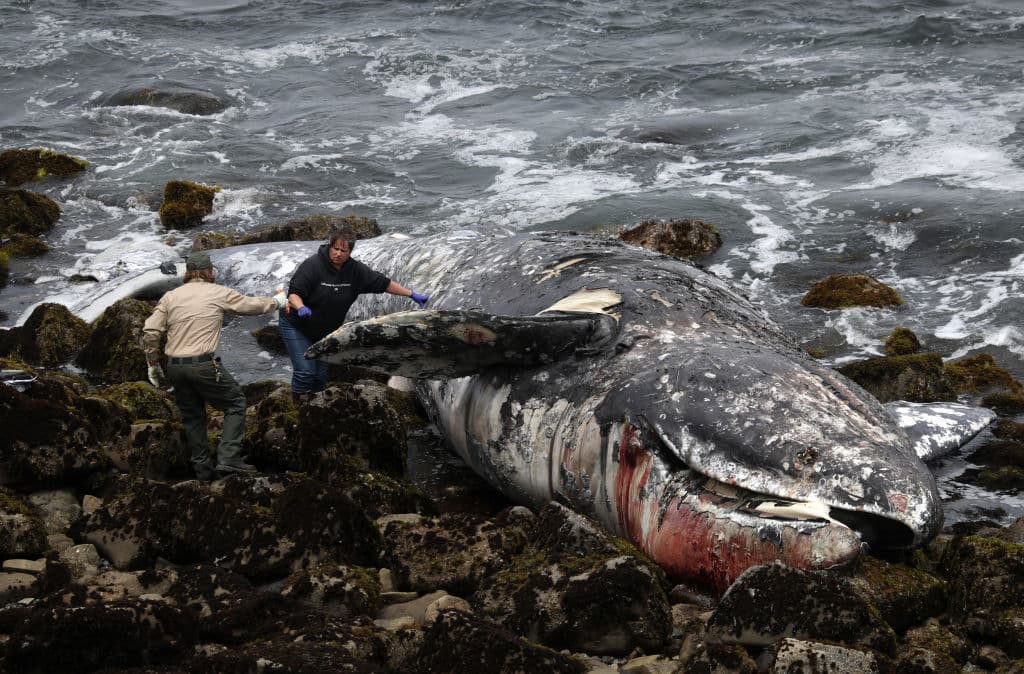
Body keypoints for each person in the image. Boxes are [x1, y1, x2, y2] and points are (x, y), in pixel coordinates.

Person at [142, 251, 289, 481]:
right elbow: (249, 305)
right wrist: (276, 302)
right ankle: (229, 457)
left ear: (188, 273)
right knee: (235, 402)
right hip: (202, 364)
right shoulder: (217, 292)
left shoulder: (170, 296)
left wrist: (152, 364)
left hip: (175, 368)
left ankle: (202, 472)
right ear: (209, 272)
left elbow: (150, 331)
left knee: (193, 417)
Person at [279, 227, 429, 400]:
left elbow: (384, 284)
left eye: (344, 250)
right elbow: (294, 294)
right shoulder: (313, 266)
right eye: (335, 249)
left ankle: (313, 406)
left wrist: (412, 294)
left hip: (324, 331)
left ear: (350, 252)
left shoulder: (355, 271)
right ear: (330, 247)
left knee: (319, 377)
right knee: (305, 371)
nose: (338, 254)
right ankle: (298, 410)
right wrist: (301, 307)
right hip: (297, 325)